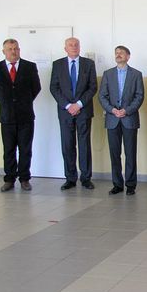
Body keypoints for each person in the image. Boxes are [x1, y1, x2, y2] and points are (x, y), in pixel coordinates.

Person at [0, 39, 41, 192]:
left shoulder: (29, 67)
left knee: (25, 149)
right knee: (9, 150)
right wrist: (7, 103)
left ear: (19, 49)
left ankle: (25, 179)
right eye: (10, 49)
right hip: (7, 116)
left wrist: (23, 102)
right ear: (4, 51)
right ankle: (9, 179)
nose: (13, 51)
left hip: (26, 116)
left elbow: (36, 88)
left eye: (16, 48)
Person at [49, 37, 98, 190]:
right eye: (70, 45)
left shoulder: (89, 64)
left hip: (84, 110)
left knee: (84, 145)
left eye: (76, 44)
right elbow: (54, 88)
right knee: (67, 145)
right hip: (65, 112)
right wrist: (68, 105)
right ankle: (70, 178)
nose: (74, 47)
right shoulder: (57, 64)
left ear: (80, 47)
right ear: (65, 48)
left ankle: (86, 178)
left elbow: (93, 87)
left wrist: (79, 104)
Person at [99, 46, 144, 196]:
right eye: (116, 53)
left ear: (128, 56)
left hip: (129, 118)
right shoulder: (108, 74)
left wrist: (126, 110)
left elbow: (139, 96)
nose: (118, 55)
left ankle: (130, 184)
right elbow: (102, 96)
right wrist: (112, 110)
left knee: (130, 153)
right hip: (112, 119)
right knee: (114, 153)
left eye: (121, 53)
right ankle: (117, 184)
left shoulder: (136, 74)